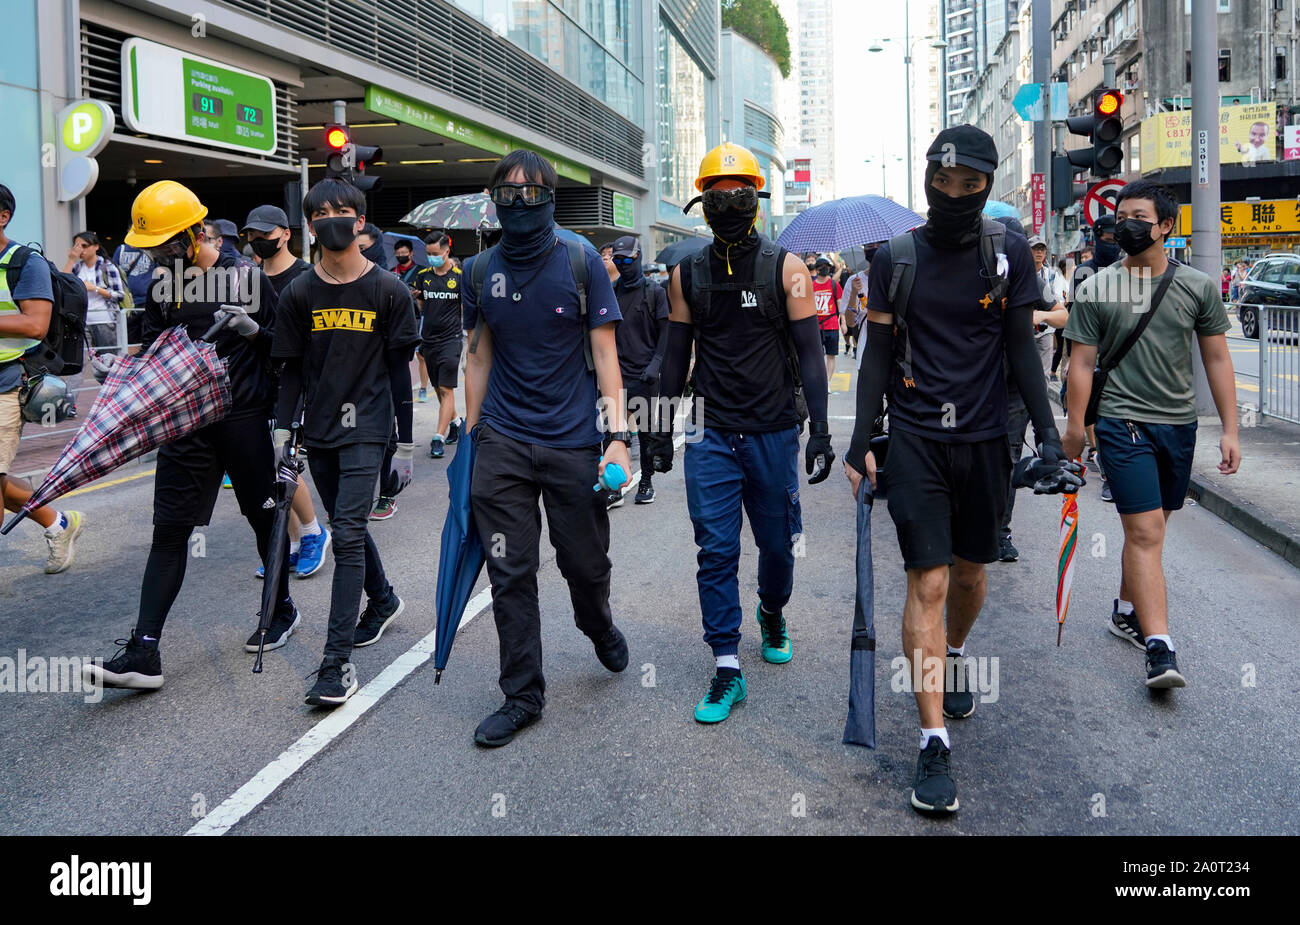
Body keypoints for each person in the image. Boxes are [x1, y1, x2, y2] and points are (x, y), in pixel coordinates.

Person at [843, 125, 1068, 815]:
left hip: (985, 440)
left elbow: (1023, 352)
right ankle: (933, 737)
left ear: (986, 186)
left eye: (970, 186)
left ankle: (957, 650)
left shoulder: (1007, 255)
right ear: (927, 181)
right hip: (915, 438)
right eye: (943, 183)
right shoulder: (897, 259)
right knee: (930, 579)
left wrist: (1052, 440)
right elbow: (876, 354)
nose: (954, 194)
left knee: (971, 574)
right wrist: (860, 441)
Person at [83, 180, 299, 693]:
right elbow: (155, 351)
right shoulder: (164, 282)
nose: (158, 253)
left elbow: (284, 353)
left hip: (242, 418)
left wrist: (254, 332)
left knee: (262, 517)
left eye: (165, 243)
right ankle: (144, 651)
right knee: (170, 530)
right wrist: (120, 371)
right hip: (186, 425)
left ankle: (281, 610)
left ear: (196, 232)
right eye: (152, 246)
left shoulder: (248, 278)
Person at [653, 141, 834, 725]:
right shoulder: (686, 275)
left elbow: (811, 357)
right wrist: (657, 427)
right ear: (701, 203)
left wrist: (823, 432)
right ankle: (726, 664)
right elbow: (674, 357)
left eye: (740, 193)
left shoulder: (788, 268)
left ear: (757, 199)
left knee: (778, 547)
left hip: (774, 430)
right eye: (716, 194)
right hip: (710, 432)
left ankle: (772, 610)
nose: (728, 202)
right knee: (717, 549)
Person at [462, 149, 631, 747]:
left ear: (551, 199)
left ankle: (598, 623)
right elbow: (478, 353)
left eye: (532, 194)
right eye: (507, 195)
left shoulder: (581, 261)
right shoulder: (479, 270)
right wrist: (473, 434)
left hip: (573, 441)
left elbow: (607, 356)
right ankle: (523, 695)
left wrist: (618, 438)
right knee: (510, 572)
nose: (520, 204)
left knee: (584, 566)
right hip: (504, 440)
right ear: (494, 201)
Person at [1063, 179, 1240, 691]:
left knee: (1153, 528)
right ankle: (1160, 648)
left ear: (1166, 226)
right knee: (1144, 533)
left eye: (1139, 216)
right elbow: (1081, 364)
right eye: (1122, 217)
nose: (1127, 225)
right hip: (1122, 424)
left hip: (1178, 427)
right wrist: (1076, 430)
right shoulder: (1096, 287)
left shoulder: (1198, 287)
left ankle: (1124, 608)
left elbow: (1216, 357)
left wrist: (1230, 430)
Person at [273, 178, 419, 707]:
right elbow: (290, 371)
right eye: (321, 213)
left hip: (371, 429)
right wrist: (283, 430)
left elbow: (401, 376)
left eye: (342, 211)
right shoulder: (299, 293)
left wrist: (403, 446)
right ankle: (381, 600)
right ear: (309, 225)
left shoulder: (389, 291)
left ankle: (335, 664)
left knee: (349, 533)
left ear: (360, 222)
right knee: (345, 525)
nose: (331, 220)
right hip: (320, 431)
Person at [0, 183, 85, 574]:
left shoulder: (23, 262)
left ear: (3, 217)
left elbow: (36, 324)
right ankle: (58, 523)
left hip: (6, 383)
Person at [242, 204, 331, 580]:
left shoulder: (307, 278)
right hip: (250, 386)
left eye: (266, 235)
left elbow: (306, 344)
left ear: (286, 234)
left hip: (292, 386)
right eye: (252, 236)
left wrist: (254, 333)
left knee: (284, 467)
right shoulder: (245, 279)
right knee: (262, 472)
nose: (259, 242)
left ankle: (313, 533)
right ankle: (290, 543)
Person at [997, 223, 1069, 564]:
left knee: (1007, 456)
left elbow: (1063, 315)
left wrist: (1034, 315)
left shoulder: (1029, 280)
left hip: (1015, 387)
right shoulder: (965, 269)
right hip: (968, 387)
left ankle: (1000, 531)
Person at [608, 234, 669, 506]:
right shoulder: (611, 292)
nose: (623, 264)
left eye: (628, 260)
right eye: (617, 260)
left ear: (639, 258)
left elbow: (666, 334)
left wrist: (655, 365)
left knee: (645, 434)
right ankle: (615, 484)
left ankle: (646, 481)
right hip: (616, 374)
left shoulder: (654, 292)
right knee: (613, 432)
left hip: (645, 374)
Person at [1069, 214, 1123, 497]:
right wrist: (1070, 360)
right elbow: (1072, 316)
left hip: (1119, 355)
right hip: (1089, 352)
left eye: (1116, 239)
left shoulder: (1129, 270)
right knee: (1091, 409)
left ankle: (1109, 466)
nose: (1111, 244)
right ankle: (1100, 458)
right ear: (1096, 237)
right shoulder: (1082, 273)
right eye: (1107, 239)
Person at [417, 232, 465, 460]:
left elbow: (467, 311)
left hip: (451, 341)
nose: (431, 258)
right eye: (428, 254)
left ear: (447, 252)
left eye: (435, 254)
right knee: (439, 389)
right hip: (429, 341)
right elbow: (421, 306)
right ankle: (456, 422)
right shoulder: (423, 276)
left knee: (446, 390)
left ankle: (438, 437)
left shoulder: (459, 278)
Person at [63, 231, 125, 356]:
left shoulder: (107, 266)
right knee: (80, 359)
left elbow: (119, 295)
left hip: (104, 319)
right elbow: (63, 284)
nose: (81, 250)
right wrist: (71, 260)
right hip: (82, 321)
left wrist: (94, 288)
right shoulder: (77, 267)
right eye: (77, 246)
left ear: (96, 246)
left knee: (108, 359)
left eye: (84, 246)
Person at [392, 239, 429, 403]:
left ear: (411, 253)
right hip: (399, 318)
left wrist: (417, 296)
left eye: (404, 253)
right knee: (401, 355)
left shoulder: (421, 272)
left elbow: (427, 295)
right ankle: (402, 385)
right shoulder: (392, 272)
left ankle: (423, 388)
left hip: (418, 317)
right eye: (398, 254)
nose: (401, 256)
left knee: (421, 355)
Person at [839, 244, 878, 361]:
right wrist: (854, 293)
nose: (875, 248)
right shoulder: (854, 281)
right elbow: (851, 323)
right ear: (865, 251)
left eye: (880, 244)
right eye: (870, 245)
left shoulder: (895, 278)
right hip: (866, 351)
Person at [812, 256, 843, 380]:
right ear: (817, 270)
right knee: (817, 355)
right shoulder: (811, 286)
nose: (824, 270)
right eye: (821, 268)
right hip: (815, 326)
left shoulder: (834, 285)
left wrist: (844, 323)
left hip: (832, 325)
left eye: (826, 267)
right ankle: (820, 379)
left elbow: (840, 305)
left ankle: (828, 381)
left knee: (831, 355)